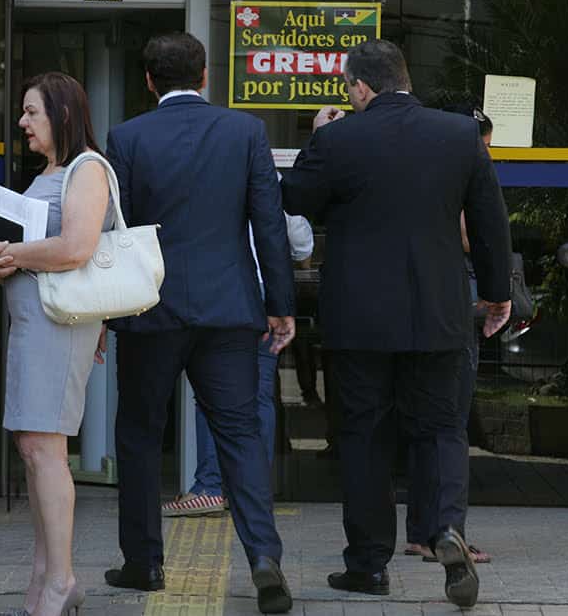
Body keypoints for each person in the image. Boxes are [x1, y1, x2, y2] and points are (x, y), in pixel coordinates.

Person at [281, 39, 511, 608]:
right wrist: (499, 295)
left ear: (359, 87)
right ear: (404, 78)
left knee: (363, 437)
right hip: (440, 312)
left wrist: (319, 136)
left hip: (358, 320)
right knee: (440, 428)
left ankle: (367, 567)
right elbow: (489, 223)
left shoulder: (339, 139)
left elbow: (296, 199)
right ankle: (445, 529)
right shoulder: (459, 135)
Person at [102, 32, 296, 614]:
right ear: (206, 76)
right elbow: (270, 223)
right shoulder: (246, 132)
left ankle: (144, 563)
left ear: (148, 81)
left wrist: (107, 313)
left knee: (138, 434)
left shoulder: (127, 137)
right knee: (239, 435)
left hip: (150, 309)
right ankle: (263, 556)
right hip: (230, 309)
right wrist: (280, 304)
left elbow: (119, 230)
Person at [0, 72, 114, 616]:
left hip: (56, 327)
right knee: (34, 450)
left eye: (31, 112)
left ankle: (59, 581)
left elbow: (77, 246)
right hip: (38, 324)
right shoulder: (53, 173)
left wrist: (6, 254)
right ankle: (49, 576)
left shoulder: (88, 169)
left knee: (45, 450)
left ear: (60, 115)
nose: (22, 123)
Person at [163, 215, 313, 517]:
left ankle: (210, 487)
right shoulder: (270, 181)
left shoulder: (209, 175)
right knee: (259, 392)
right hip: (265, 290)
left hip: (221, 288)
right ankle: (255, 492)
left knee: (211, 389)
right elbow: (301, 242)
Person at [405, 104, 495, 565]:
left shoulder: (421, 168)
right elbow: (469, 234)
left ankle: (422, 529)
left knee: (426, 423)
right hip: (455, 300)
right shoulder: (460, 173)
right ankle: (445, 531)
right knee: (450, 422)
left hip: (417, 302)